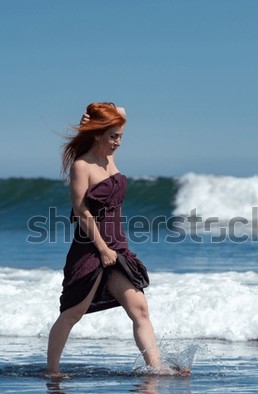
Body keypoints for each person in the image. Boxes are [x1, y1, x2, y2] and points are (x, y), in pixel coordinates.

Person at [47, 102, 188, 377]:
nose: (118, 142)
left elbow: (121, 111)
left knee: (140, 310)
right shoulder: (82, 166)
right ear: (98, 134)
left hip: (118, 248)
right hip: (91, 248)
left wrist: (89, 117)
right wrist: (102, 248)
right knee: (72, 313)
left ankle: (155, 368)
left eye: (120, 136)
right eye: (113, 136)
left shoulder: (108, 159)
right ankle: (52, 371)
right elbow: (81, 211)